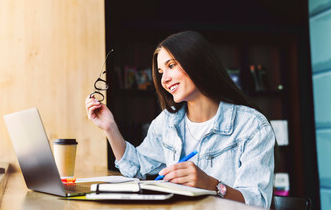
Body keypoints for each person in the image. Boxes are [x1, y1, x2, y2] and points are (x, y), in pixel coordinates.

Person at [85, 31, 276, 208]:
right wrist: (109, 127)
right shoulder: (167, 122)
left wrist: (210, 184)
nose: (164, 79)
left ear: (198, 64)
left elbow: (258, 204)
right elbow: (136, 168)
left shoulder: (252, 126)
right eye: (160, 72)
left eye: (171, 66)